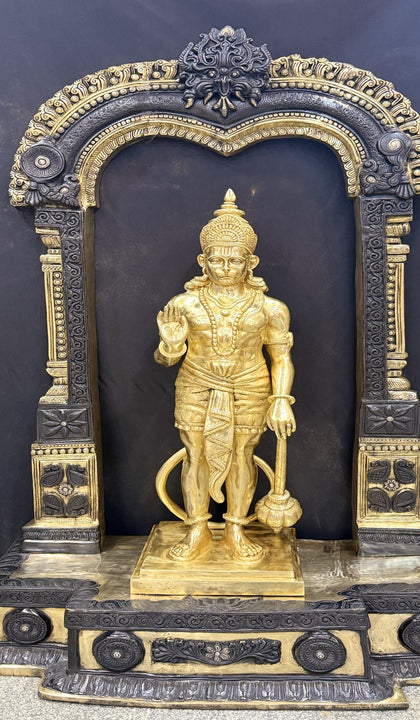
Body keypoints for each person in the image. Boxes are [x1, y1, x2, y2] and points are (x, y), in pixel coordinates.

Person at [155, 189, 296, 561]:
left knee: (243, 454)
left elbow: (281, 358)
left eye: (235, 260)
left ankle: (235, 528)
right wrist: (170, 346)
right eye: (217, 260)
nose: (225, 268)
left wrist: (281, 400)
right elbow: (165, 359)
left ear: (251, 261)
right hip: (196, 382)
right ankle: (197, 529)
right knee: (195, 453)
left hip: (250, 384)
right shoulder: (183, 305)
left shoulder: (271, 308)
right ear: (203, 261)